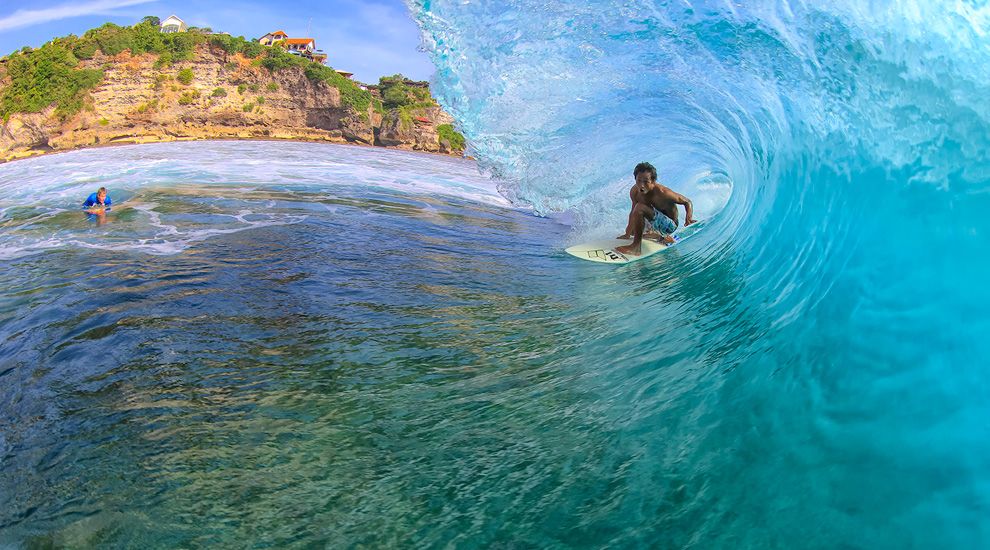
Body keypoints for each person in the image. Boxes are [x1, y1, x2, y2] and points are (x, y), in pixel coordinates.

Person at [616, 162, 696, 256]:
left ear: (653, 181)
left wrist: (688, 219)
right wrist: (628, 233)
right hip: (653, 220)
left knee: (640, 208)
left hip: (669, 225)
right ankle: (662, 238)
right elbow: (633, 212)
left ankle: (636, 248)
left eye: (646, 181)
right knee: (635, 230)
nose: (641, 185)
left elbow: (687, 202)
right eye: (639, 180)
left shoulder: (663, 192)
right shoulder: (635, 192)